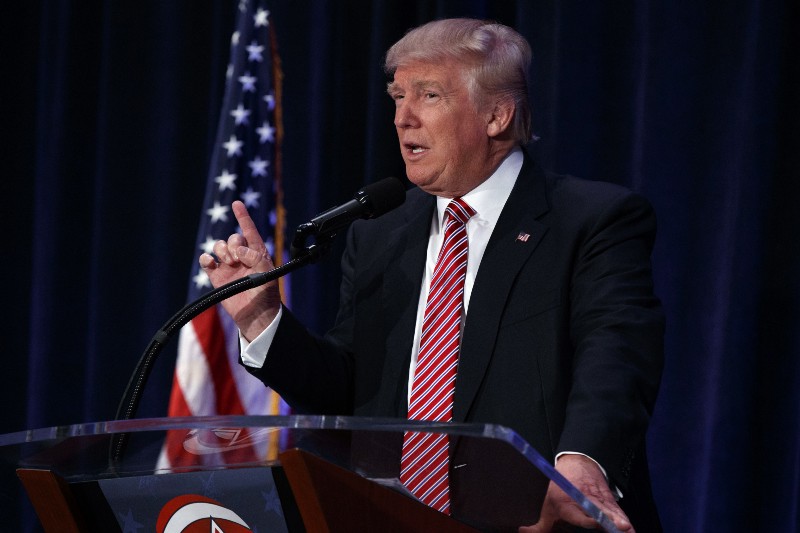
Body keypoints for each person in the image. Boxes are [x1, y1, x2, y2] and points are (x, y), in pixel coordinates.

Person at [201, 18, 664, 532]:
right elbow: (346, 393)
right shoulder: (379, 235)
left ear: (497, 115)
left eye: (429, 95)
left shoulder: (591, 219)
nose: (403, 118)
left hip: (537, 521)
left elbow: (617, 354)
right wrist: (263, 319)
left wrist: (583, 462)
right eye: (398, 96)